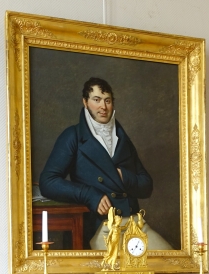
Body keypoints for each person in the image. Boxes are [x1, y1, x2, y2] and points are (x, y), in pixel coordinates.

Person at [39, 77, 171, 250]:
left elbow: (147, 186)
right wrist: (89, 195)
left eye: (107, 101)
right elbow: (48, 182)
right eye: (97, 100)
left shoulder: (122, 139)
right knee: (116, 273)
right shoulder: (73, 136)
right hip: (101, 226)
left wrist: (124, 177)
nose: (103, 106)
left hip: (134, 223)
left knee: (167, 257)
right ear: (85, 102)